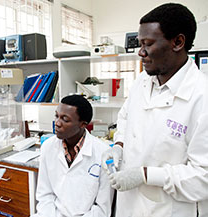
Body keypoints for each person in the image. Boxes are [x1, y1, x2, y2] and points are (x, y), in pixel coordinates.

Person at [101, 3, 208, 217]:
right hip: (129, 205)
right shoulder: (143, 80)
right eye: (140, 44)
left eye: (147, 44)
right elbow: (125, 119)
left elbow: (202, 177)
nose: (140, 52)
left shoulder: (202, 96)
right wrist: (118, 147)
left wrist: (145, 175)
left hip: (169, 209)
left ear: (178, 42)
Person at [32, 95, 113, 217]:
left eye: (65, 119)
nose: (57, 123)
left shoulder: (103, 153)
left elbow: (102, 209)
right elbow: (45, 195)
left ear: (83, 124)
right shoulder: (48, 147)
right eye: (56, 116)